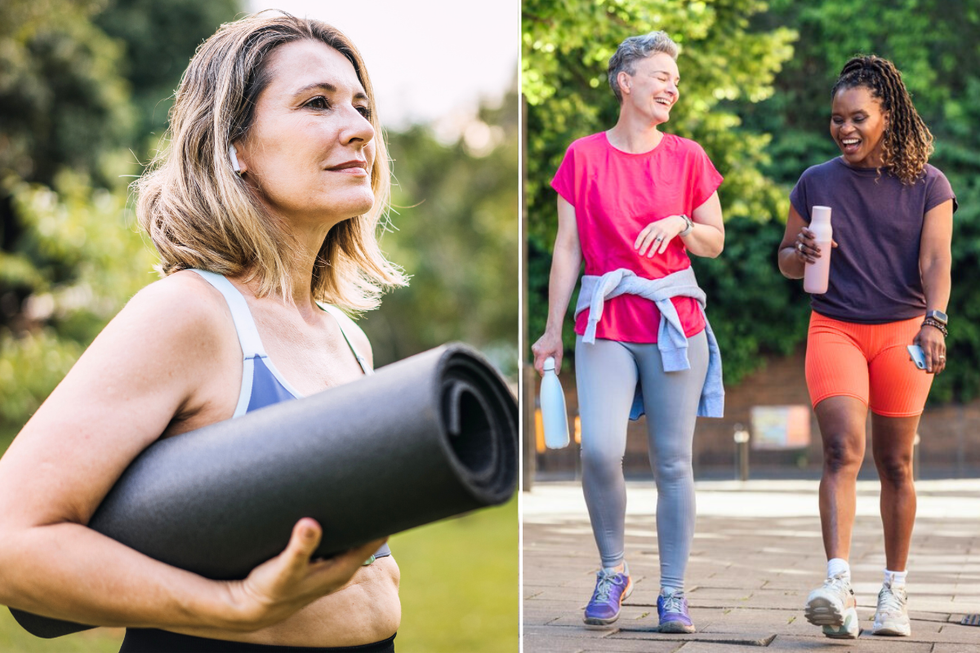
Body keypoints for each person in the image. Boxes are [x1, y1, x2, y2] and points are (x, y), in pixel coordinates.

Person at [0, 13, 409, 652]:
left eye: (361, 107)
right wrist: (229, 607)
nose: (359, 130)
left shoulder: (346, 336)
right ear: (234, 145)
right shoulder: (190, 314)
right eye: (316, 103)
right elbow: (10, 540)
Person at [531, 31, 725, 633]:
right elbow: (567, 248)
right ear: (626, 82)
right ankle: (613, 569)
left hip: (674, 321)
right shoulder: (582, 156)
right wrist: (550, 331)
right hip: (605, 318)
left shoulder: (688, 157)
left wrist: (680, 223)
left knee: (672, 462)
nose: (671, 85)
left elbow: (714, 242)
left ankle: (673, 592)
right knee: (598, 451)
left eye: (675, 78)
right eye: (660, 74)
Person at [777, 55, 955, 639]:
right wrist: (798, 252)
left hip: (904, 330)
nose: (844, 129)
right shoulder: (815, 180)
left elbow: (934, 260)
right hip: (836, 326)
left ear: (888, 115)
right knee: (839, 449)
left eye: (857, 117)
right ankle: (838, 583)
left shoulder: (928, 183)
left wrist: (935, 321)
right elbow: (783, 260)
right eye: (836, 119)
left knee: (896, 463)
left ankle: (894, 593)